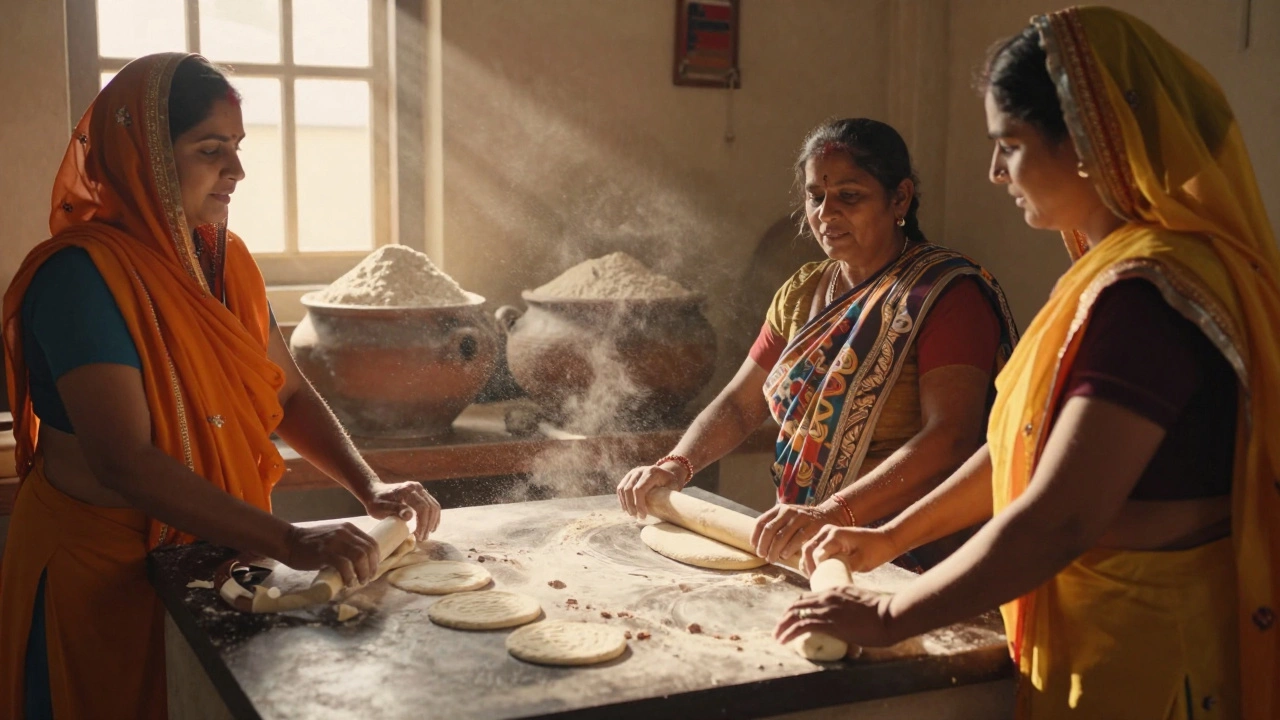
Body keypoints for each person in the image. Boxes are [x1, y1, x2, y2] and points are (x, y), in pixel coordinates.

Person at [777, 8, 1280, 718]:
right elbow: (1020, 450)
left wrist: (892, 617)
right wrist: (888, 537)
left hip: (1153, 653)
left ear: (1084, 142)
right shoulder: (1107, 277)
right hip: (1106, 631)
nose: (993, 172)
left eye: (1008, 146)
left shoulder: (1148, 299)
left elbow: (1059, 515)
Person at [0, 53, 442, 718]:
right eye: (211, 150)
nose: (236, 171)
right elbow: (124, 462)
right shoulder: (81, 279)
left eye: (236, 148)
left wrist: (368, 486)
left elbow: (287, 394)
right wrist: (292, 541)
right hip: (100, 578)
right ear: (142, 156)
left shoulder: (222, 261)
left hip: (210, 561)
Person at [617, 118, 1018, 568]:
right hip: (810, 545)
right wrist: (677, 465)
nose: (826, 214)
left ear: (900, 197)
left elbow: (950, 439)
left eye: (849, 196)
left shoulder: (944, 296)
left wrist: (833, 513)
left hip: (910, 553)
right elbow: (739, 405)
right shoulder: (802, 291)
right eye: (815, 196)